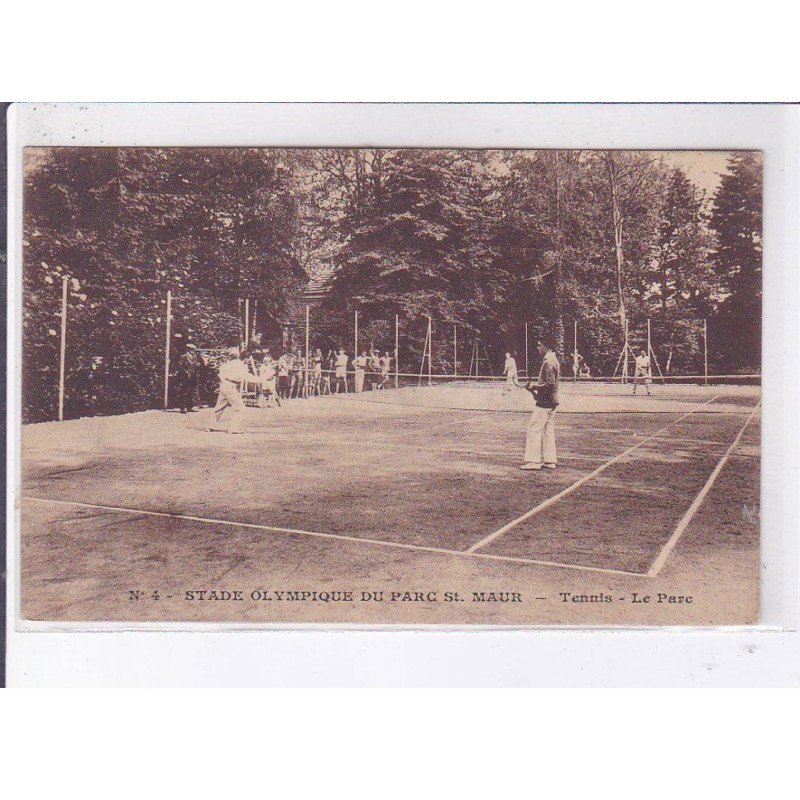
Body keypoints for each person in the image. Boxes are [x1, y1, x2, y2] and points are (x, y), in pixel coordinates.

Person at [519, 337, 560, 471]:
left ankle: (533, 461)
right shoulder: (554, 360)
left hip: (545, 403)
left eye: (539, 346)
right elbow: (550, 386)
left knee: (534, 429)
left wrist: (534, 386)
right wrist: (534, 390)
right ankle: (550, 460)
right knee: (548, 430)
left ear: (546, 347)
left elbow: (550, 384)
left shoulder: (548, 362)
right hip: (552, 402)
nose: (538, 348)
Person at [211, 347, 250, 434]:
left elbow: (220, 375)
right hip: (231, 386)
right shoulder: (241, 365)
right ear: (246, 358)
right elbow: (248, 377)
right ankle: (233, 428)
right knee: (241, 409)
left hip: (224, 385)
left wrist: (224, 382)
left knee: (219, 407)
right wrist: (263, 379)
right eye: (249, 359)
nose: (249, 361)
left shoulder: (227, 364)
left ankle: (210, 425)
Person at [175, 342, 202, 413]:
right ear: (188, 349)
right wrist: (186, 372)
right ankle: (182, 408)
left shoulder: (195, 356)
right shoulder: (183, 356)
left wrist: (197, 364)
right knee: (184, 391)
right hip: (186, 376)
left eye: (193, 349)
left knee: (191, 391)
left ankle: (189, 407)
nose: (193, 350)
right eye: (192, 349)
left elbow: (195, 364)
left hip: (193, 375)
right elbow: (180, 366)